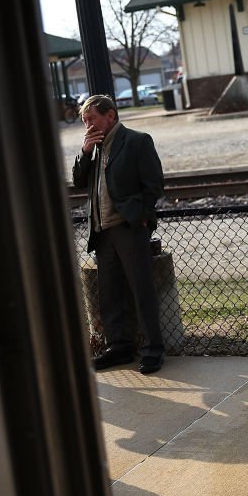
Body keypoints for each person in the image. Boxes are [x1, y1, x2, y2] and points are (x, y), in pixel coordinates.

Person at [72, 95, 166, 374]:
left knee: (141, 290)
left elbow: (154, 185)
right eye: (84, 121)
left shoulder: (137, 141)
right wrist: (85, 151)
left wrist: (138, 217)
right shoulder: (94, 147)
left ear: (110, 116)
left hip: (128, 228)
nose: (87, 125)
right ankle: (119, 347)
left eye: (92, 119)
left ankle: (153, 350)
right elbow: (78, 180)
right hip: (102, 232)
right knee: (110, 294)